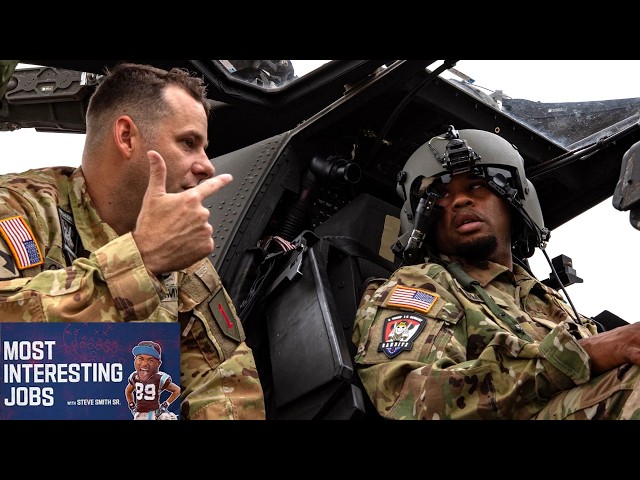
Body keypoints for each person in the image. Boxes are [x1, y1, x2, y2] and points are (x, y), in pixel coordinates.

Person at [0, 62, 265, 420]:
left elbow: (225, 383)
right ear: (126, 137)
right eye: (188, 142)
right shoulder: (20, 208)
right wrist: (140, 260)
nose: (206, 165)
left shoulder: (183, 265)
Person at [352, 125, 640, 420]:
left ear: (514, 200)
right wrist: (582, 355)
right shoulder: (421, 286)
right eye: (442, 195)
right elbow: (410, 400)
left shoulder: (546, 300)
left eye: (476, 186)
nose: (460, 201)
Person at [125, 340, 181, 420]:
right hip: (140, 413)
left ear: (158, 363)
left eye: (150, 360)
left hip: (155, 413)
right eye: (140, 359)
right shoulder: (134, 377)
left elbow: (177, 390)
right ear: (135, 360)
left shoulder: (159, 378)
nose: (144, 364)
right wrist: (132, 405)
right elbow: (128, 391)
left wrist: (166, 404)